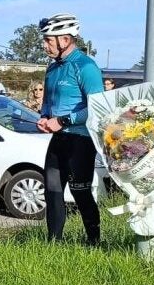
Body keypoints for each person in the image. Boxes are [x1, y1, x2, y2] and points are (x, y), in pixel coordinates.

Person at [36, 13, 104, 246]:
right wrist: (44, 117)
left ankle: (94, 242)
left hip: (81, 141)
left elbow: (97, 108)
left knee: (80, 192)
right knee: (52, 190)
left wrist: (64, 120)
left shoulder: (86, 66)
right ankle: (53, 245)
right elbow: (48, 101)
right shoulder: (52, 68)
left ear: (64, 40)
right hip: (59, 139)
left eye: (48, 40)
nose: (44, 45)